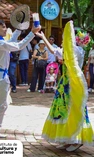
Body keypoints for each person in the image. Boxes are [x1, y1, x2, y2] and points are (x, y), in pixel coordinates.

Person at [37, 21, 93, 152]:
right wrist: (43, 37)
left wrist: (43, 37)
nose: (63, 40)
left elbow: (56, 51)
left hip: (72, 83)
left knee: (72, 109)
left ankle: (75, 138)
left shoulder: (74, 51)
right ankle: (67, 138)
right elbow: (55, 51)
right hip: (67, 82)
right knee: (64, 109)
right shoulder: (73, 50)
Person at [0, 19, 41, 140]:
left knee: (3, 106)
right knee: (0, 106)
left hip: (0, 76)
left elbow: (11, 42)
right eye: (3, 27)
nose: (5, 29)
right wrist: (32, 33)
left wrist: (19, 29)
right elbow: (18, 45)